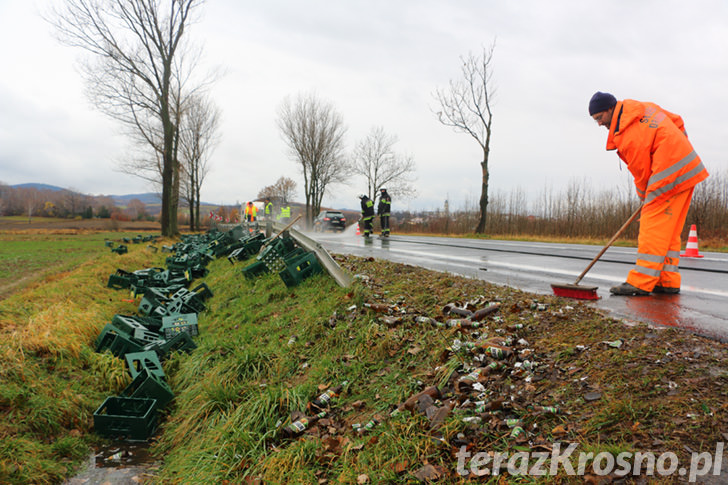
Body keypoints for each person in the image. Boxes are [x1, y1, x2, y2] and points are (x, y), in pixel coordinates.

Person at [588, 91, 709, 296]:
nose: (599, 124)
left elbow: (641, 171)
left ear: (610, 110)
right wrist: (681, 148)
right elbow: (677, 121)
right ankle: (667, 280)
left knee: (651, 225)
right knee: (668, 232)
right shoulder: (644, 108)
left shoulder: (628, 133)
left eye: (600, 118)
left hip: (668, 175)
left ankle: (641, 282)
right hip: (687, 169)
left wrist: (646, 199)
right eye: (595, 120)